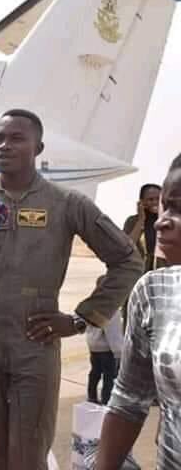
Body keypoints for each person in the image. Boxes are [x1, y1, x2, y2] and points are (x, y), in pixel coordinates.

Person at [0, 109, 143, 470]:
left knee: (28, 457)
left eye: (16, 138)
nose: (4, 145)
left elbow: (128, 261)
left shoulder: (67, 204)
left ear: (38, 147)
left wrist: (81, 319)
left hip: (34, 349)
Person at [95, 159, 181, 469]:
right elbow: (128, 401)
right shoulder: (153, 292)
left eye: (178, 209)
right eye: (164, 207)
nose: (162, 221)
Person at [86, 296, 123, 405]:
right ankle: (106, 400)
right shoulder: (111, 309)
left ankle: (91, 397)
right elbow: (113, 333)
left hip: (94, 347)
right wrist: (118, 351)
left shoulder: (91, 306)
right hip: (107, 349)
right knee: (109, 377)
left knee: (95, 373)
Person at [123, 183, 162, 272]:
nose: (155, 202)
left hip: (163, 273)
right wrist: (141, 220)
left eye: (158, 199)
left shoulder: (169, 220)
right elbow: (127, 246)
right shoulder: (132, 221)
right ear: (142, 201)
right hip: (139, 273)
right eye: (150, 199)